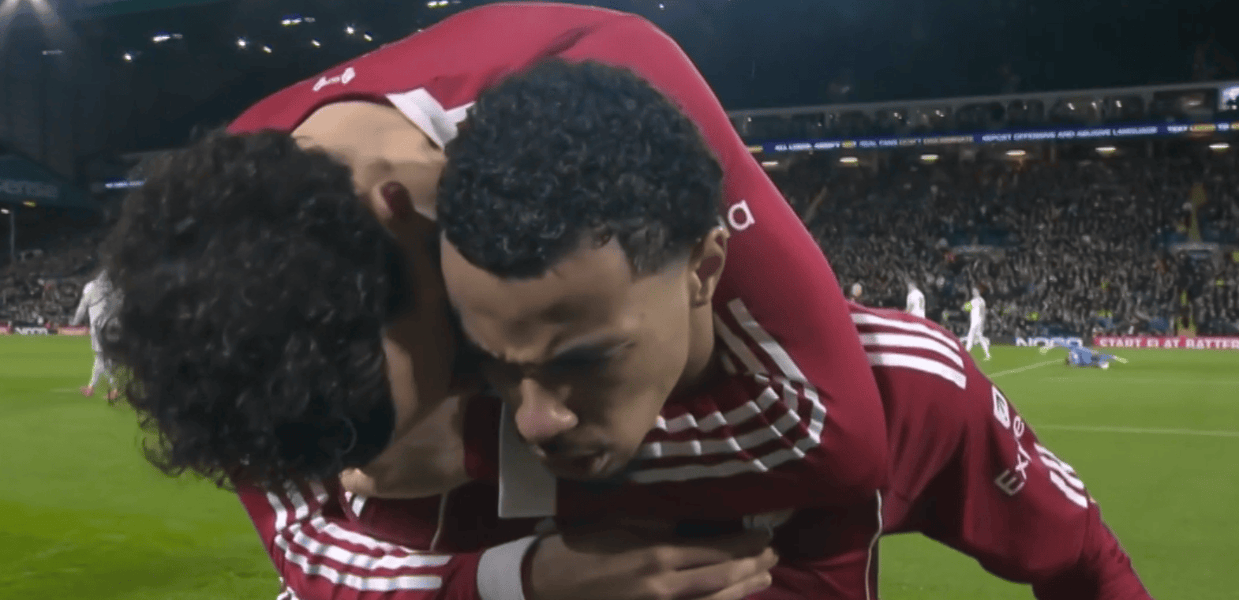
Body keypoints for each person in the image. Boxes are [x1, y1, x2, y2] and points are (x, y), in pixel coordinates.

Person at [106, 3, 884, 599]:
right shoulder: (218, 248)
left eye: (455, 363)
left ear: (397, 213)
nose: (359, 470)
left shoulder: (609, 93)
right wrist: (517, 578)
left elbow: (842, 435)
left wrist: (478, 448)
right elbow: (305, 547)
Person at [434, 59, 1153, 600]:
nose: (533, 421)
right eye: (496, 363)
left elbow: (1082, 558)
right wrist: (510, 580)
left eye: (586, 359)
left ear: (702, 268)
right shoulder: (438, 411)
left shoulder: (899, 384)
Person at [71, 271, 120, 400]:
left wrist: (74, 323)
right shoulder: (112, 293)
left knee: (103, 360)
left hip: (99, 329)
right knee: (101, 359)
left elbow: (81, 309)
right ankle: (91, 387)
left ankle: (116, 389)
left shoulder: (91, 291)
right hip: (113, 329)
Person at [1040, 341, 1126, 369]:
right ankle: (1106, 361)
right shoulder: (1074, 351)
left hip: (1087, 355)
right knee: (1097, 357)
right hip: (1088, 354)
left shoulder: (1074, 353)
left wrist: (1048, 347)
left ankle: (1105, 361)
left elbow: (1060, 344)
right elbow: (1060, 344)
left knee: (1095, 358)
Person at [963, 286, 992, 361]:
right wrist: (983, 321)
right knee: (980, 337)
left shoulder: (975, 300)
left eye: (974, 291)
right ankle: (987, 354)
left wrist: (965, 303)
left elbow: (966, 308)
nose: (973, 292)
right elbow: (984, 312)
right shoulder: (982, 300)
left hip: (975, 321)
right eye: (972, 291)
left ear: (977, 292)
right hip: (980, 321)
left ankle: (966, 353)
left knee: (970, 336)